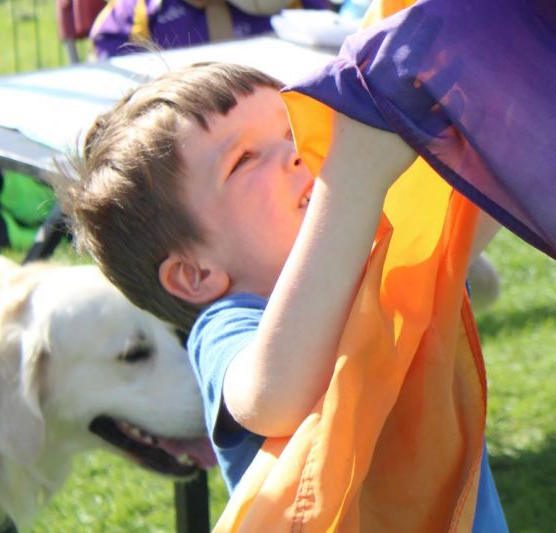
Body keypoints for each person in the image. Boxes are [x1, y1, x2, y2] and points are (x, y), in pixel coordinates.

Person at [57, 62, 506, 530]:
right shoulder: (229, 326)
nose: (296, 152)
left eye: (293, 129)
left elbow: (486, 191)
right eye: (245, 159)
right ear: (195, 274)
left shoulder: (390, 262)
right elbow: (275, 398)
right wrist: (350, 183)